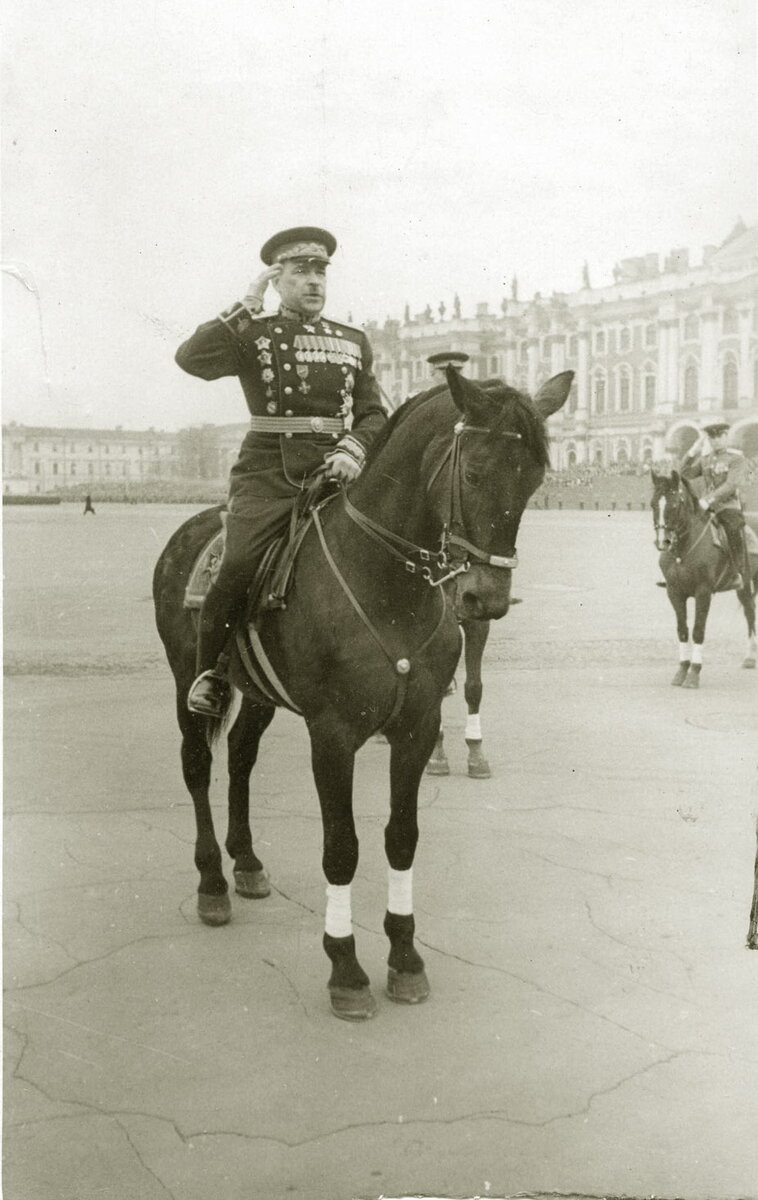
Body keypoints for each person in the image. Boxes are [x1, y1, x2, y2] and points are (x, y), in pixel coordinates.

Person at [175, 226, 387, 716]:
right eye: (300, 271)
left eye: (319, 271)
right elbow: (191, 359)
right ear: (277, 279)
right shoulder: (253, 332)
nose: (313, 281)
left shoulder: (352, 341)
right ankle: (212, 674)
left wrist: (354, 448)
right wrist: (245, 305)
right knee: (239, 563)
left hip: (340, 472)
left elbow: (373, 412)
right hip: (271, 474)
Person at [681, 420, 750, 590]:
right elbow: (685, 473)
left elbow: (730, 485)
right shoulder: (706, 459)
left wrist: (708, 500)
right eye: (712, 437)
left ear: (726, 437)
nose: (715, 440)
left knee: (733, 530)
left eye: (719, 436)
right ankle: (677, 569)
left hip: (727, 507)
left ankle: (736, 573)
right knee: (682, 526)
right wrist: (692, 451)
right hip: (705, 507)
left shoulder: (737, 459)